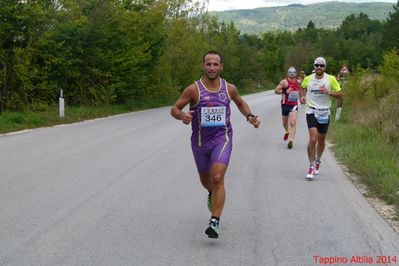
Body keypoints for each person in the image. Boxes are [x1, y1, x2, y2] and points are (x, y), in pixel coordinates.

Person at [170, 50, 260, 238]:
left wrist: (250, 116)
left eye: (215, 64)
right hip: (200, 142)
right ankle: (212, 193)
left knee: (218, 177)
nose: (212, 67)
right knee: (207, 182)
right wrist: (182, 115)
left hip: (223, 139)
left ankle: (214, 222)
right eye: (208, 64)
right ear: (203, 66)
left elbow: (240, 103)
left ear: (221, 66)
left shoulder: (229, 88)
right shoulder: (193, 89)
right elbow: (175, 108)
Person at [299, 57, 343, 180]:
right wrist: (302, 96)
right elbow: (302, 87)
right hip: (311, 110)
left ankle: (318, 160)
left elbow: (340, 94)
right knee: (313, 139)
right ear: (314, 66)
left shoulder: (331, 79)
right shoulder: (308, 79)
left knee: (321, 140)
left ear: (325, 67)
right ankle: (311, 165)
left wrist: (329, 92)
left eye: (321, 65)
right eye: (317, 65)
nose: (319, 67)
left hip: (324, 112)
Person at [274, 66, 300, 149]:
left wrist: (302, 97)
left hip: (294, 104)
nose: (292, 74)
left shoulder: (298, 82)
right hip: (285, 105)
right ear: (287, 74)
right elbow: (276, 91)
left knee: (292, 122)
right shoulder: (284, 82)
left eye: (294, 73)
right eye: (290, 73)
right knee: (284, 124)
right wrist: (285, 91)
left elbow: (302, 90)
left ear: (296, 74)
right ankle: (287, 131)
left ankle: (290, 140)